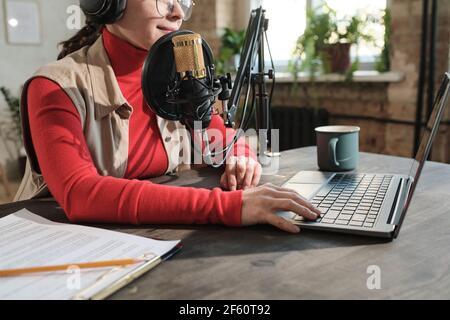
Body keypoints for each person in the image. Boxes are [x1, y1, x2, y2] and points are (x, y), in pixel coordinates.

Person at [14, 0, 320, 233]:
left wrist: (240, 155)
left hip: (147, 238)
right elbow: (81, 194)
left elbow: (219, 137)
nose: (177, 12)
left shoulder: (180, 71)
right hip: (63, 245)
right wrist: (228, 207)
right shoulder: (54, 87)